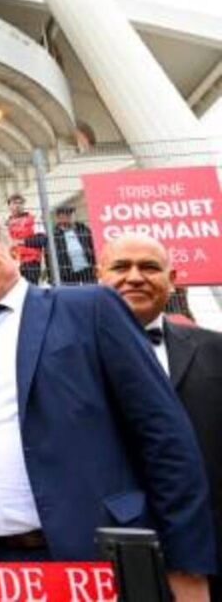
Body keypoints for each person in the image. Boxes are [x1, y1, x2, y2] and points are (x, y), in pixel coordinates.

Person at [0, 215, 214, 599]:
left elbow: (164, 433)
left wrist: (186, 562)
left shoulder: (90, 308)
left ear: (15, 253)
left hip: (94, 555)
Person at [97, 234, 222, 600]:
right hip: (111, 553)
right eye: (120, 267)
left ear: (173, 277)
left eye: (149, 267)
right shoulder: (69, 359)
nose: (135, 277)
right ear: (99, 276)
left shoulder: (215, 349)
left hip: (210, 546)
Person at [4, 193, 46, 285]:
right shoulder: (5, 225)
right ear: (9, 206)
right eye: (14, 203)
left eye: (20, 203)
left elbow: (42, 240)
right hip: (13, 262)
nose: (18, 206)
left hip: (31, 262)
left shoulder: (34, 219)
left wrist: (21, 242)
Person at [50, 204, 96, 285]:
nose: (69, 217)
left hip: (87, 270)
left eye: (70, 214)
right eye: (65, 214)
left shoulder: (83, 229)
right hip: (68, 273)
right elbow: (49, 257)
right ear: (58, 218)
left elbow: (93, 246)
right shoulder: (54, 235)